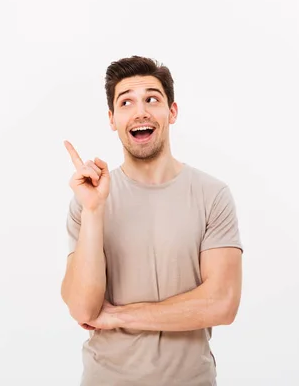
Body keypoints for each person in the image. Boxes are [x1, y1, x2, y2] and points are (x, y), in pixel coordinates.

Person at [61, 56, 243, 386]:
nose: (140, 111)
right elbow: (83, 310)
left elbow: (222, 303)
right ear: (112, 119)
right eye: (126, 101)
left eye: (152, 99)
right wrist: (93, 211)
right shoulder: (89, 201)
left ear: (171, 112)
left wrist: (118, 315)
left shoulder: (212, 195)